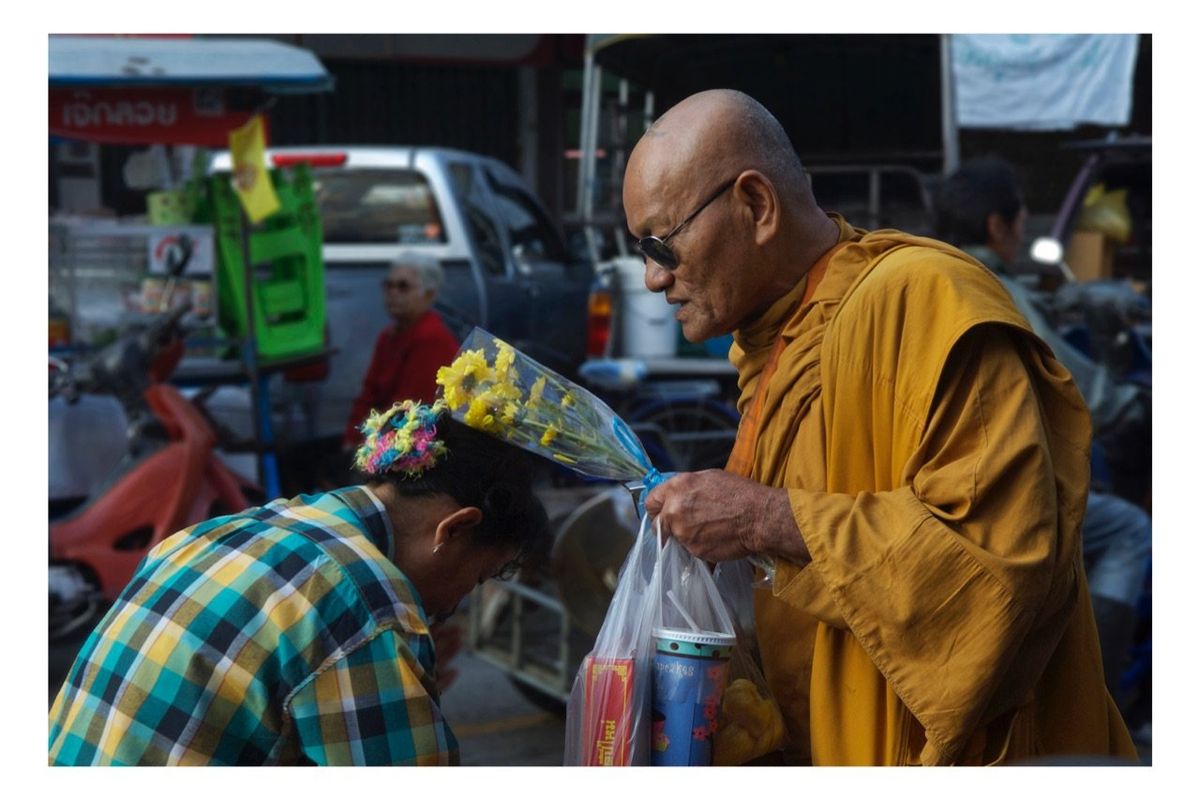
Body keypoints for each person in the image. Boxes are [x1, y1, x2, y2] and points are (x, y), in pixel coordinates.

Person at [628, 89, 1137, 765]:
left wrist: (763, 520)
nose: (650, 279)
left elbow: (995, 570)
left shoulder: (926, 300)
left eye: (662, 244)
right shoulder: (776, 337)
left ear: (756, 205)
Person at [48, 401, 550, 766]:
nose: (457, 603)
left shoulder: (220, 532)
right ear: (455, 528)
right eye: (477, 579)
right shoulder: (365, 599)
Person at [934, 157, 1151, 700]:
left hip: (947, 481)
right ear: (997, 226)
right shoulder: (992, 291)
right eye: (1021, 220)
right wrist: (1137, 401)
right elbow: (1076, 389)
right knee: (1128, 529)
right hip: (999, 496)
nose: (1023, 231)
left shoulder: (929, 275)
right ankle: (1095, 699)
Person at [342, 251, 461, 449]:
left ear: (429, 294)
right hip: (380, 435)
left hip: (411, 444)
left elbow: (409, 409)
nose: (393, 293)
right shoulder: (388, 336)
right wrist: (350, 439)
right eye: (389, 285)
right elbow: (368, 394)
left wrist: (363, 447)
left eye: (403, 286)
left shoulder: (431, 339)